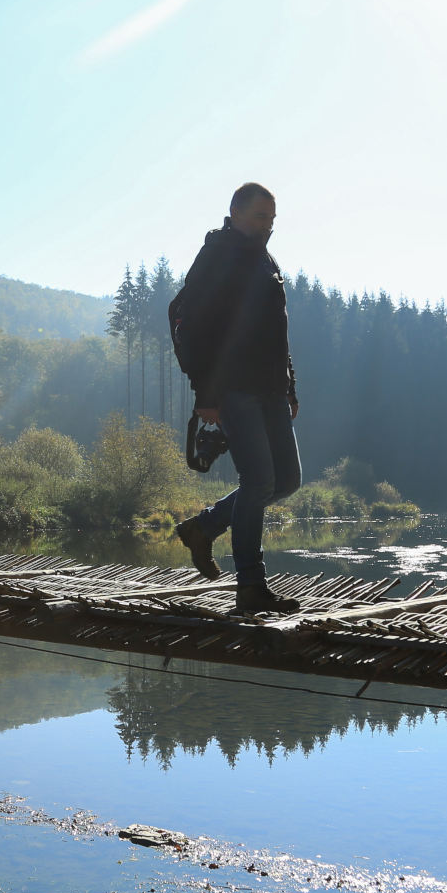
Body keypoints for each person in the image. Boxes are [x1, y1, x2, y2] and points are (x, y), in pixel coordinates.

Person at [170, 182, 303, 615]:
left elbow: (276, 332)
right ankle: (250, 587)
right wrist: (205, 392)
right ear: (236, 212)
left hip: (271, 390)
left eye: (272, 219)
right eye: (261, 217)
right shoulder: (217, 255)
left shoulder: (265, 259)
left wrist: (290, 385)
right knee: (259, 482)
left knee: (286, 482)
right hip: (233, 390)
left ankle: (203, 528)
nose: (269, 226)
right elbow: (187, 325)